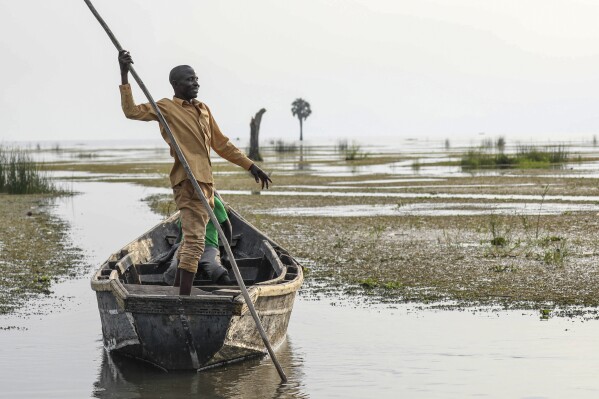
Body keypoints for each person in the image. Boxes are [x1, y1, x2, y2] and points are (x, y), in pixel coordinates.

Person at [118, 50, 271, 295]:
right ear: (176, 85)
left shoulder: (203, 110)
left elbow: (222, 145)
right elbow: (131, 111)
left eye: (197, 79)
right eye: (190, 80)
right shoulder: (166, 108)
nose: (196, 83)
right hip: (188, 182)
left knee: (194, 241)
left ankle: (179, 293)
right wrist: (124, 74)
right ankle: (183, 297)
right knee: (195, 242)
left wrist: (251, 166)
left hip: (206, 183)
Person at [164, 196, 232, 286]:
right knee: (173, 270)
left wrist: (227, 254)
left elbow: (227, 227)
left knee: (216, 269)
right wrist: (169, 254)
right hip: (185, 246)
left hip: (208, 246)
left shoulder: (212, 201)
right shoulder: (185, 201)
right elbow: (181, 233)